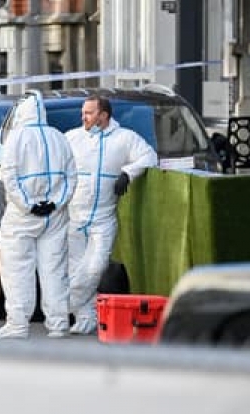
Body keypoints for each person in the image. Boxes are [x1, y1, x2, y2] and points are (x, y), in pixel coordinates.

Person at [66, 95, 157, 334]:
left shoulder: (124, 138)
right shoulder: (72, 138)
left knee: (96, 267)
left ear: (103, 116)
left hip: (103, 218)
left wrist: (128, 173)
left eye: (88, 113)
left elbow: (149, 156)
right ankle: (86, 318)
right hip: (74, 216)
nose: (83, 117)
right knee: (75, 267)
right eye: (83, 112)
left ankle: (64, 301)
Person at [0, 94, 77, 339]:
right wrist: (56, 202)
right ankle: (59, 323)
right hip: (55, 216)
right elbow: (72, 176)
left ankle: (18, 323)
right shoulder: (59, 137)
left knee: (17, 269)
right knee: (55, 269)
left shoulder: (16, 139)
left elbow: (9, 177)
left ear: (21, 114)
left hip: (22, 217)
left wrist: (29, 205)